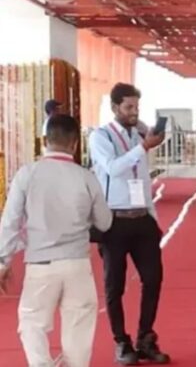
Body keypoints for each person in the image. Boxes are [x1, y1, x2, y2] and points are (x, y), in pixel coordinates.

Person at [0, 114, 113, 367]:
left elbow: (10, 222)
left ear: (44, 141)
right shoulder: (86, 177)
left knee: (31, 323)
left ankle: (42, 365)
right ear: (75, 144)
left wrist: (2, 262)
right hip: (77, 264)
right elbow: (105, 223)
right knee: (79, 330)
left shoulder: (27, 174)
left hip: (40, 264)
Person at [89, 83, 170, 365]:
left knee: (153, 279)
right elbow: (113, 168)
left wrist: (153, 218)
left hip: (142, 219)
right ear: (114, 108)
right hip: (114, 222)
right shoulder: (100, 137)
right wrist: (142, 148)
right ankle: (121, 342)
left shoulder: (140, 131)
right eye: (128, 107)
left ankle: (145, 337)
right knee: (115, 286)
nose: (134, 112)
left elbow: (143, 178)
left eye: (137, 107)